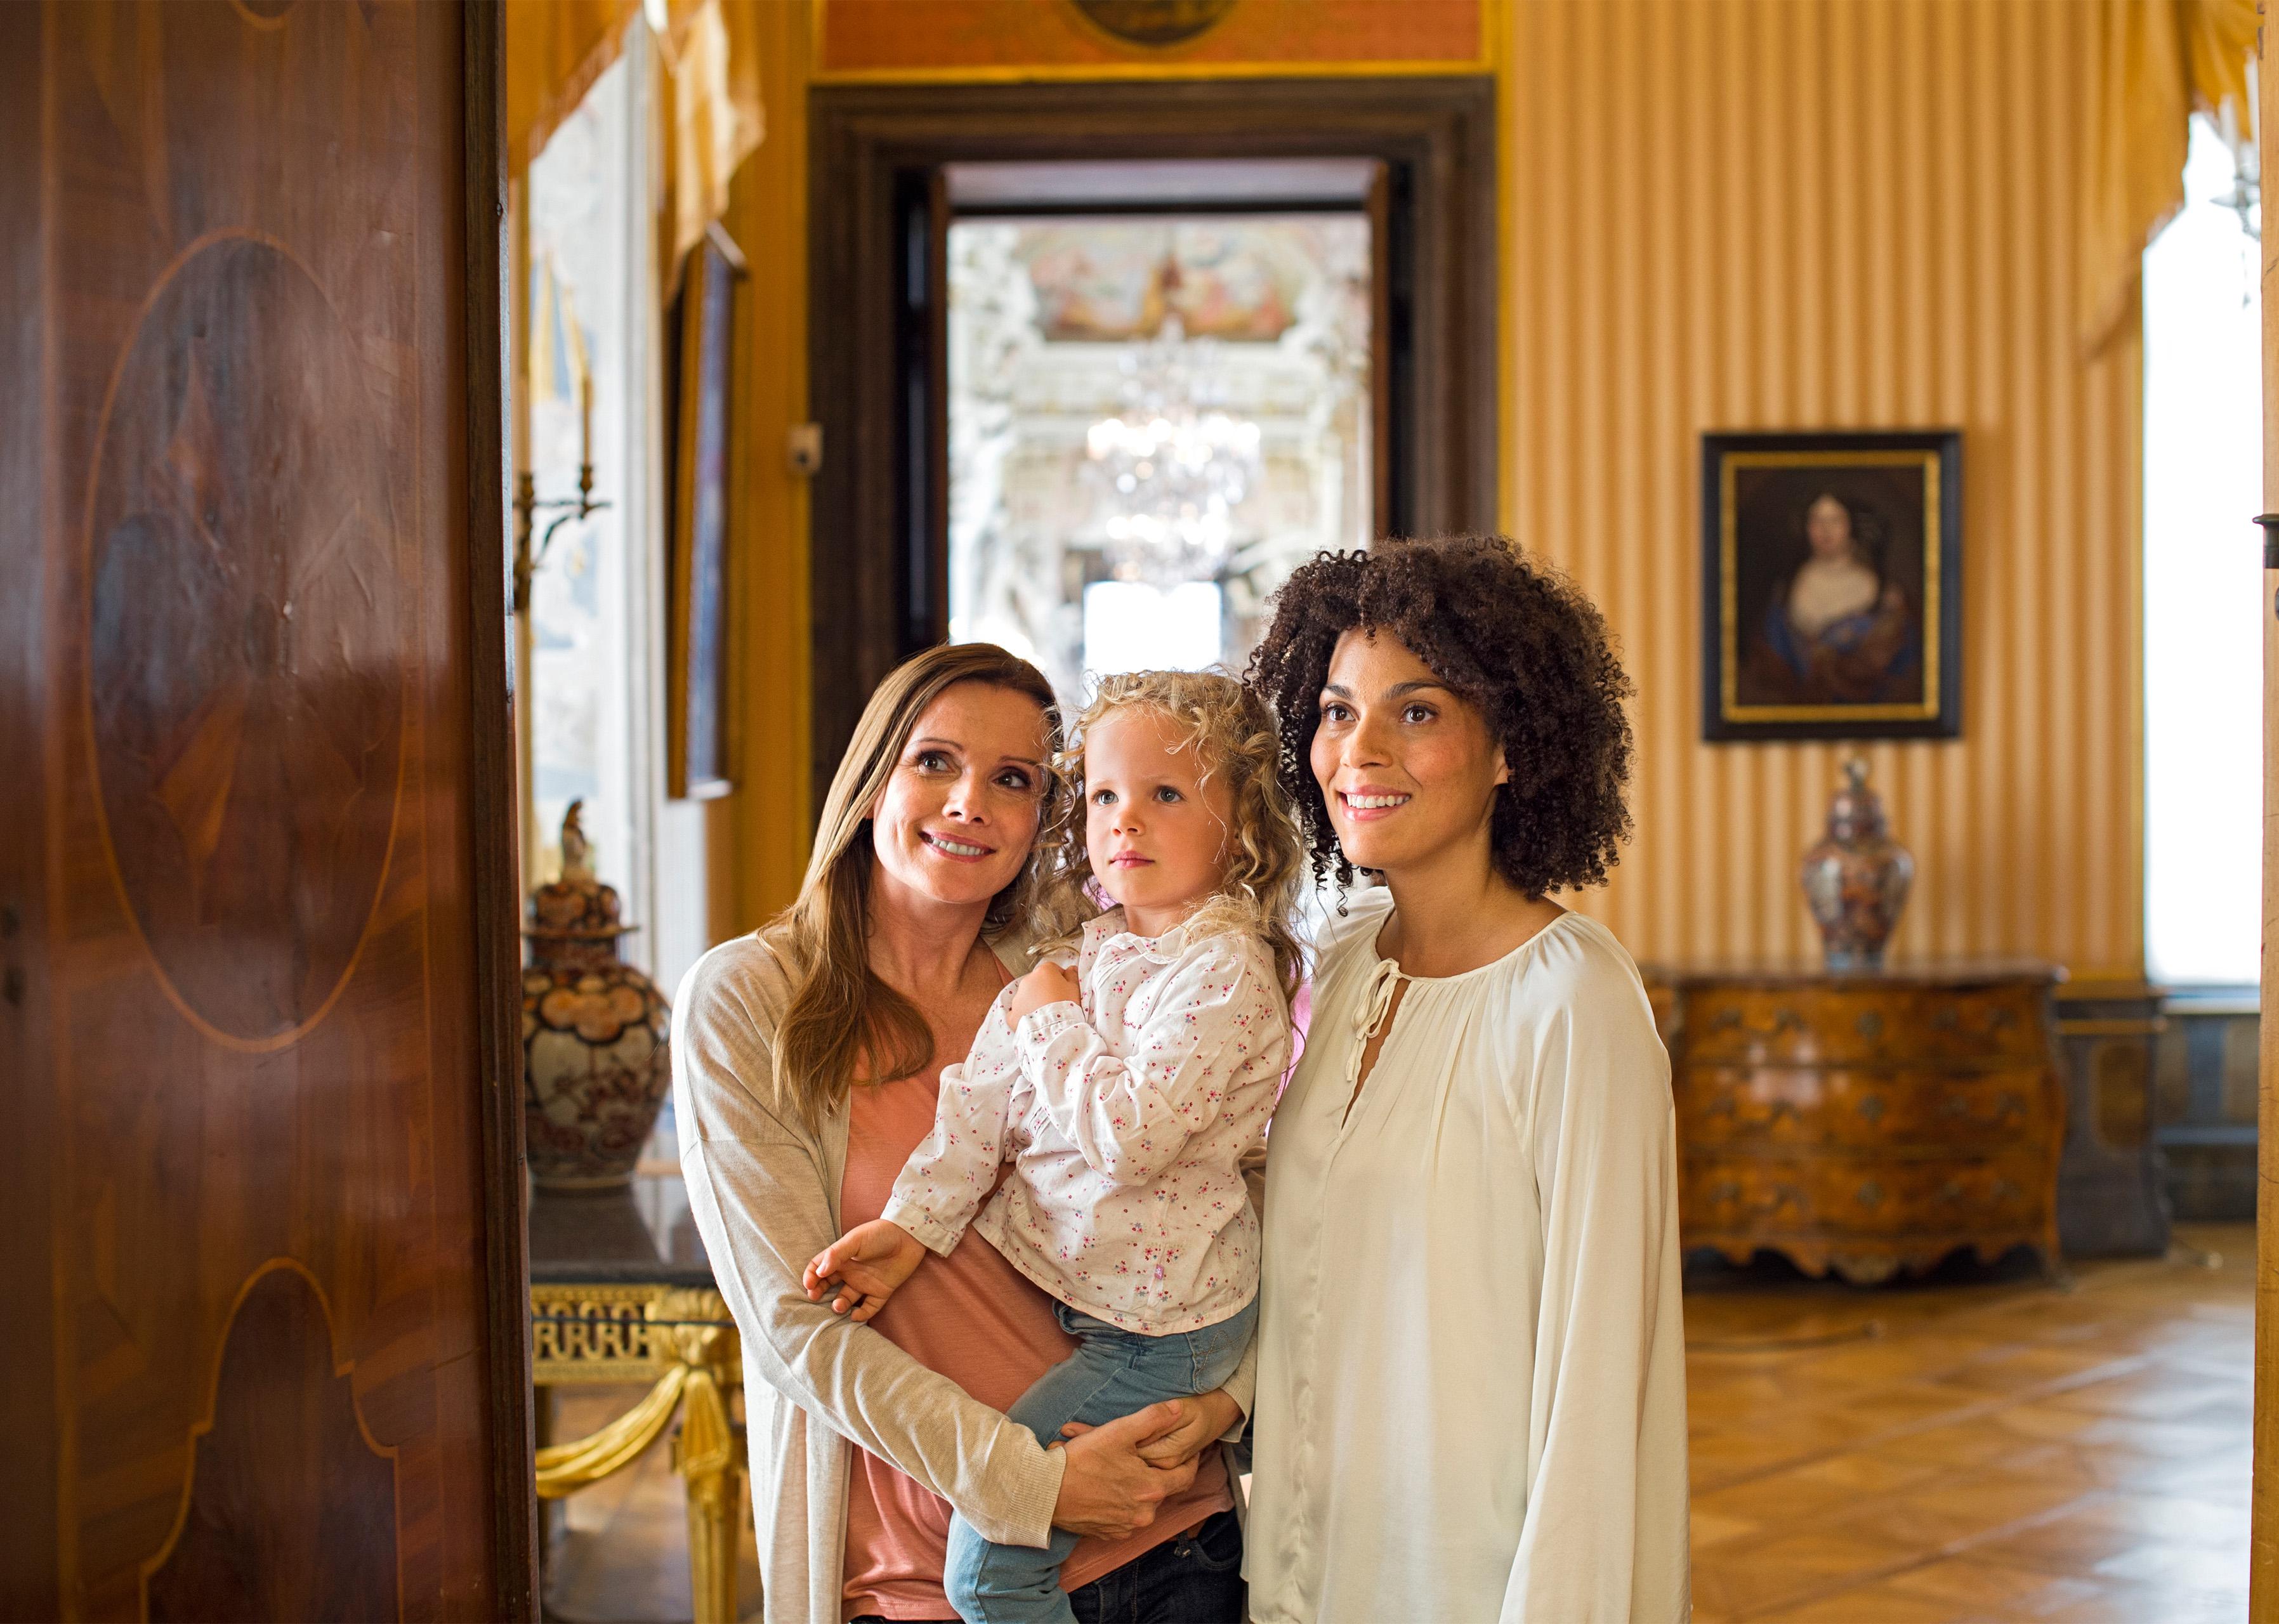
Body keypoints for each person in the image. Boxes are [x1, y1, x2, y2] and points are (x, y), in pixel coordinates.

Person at [672, 643, 1253, 1624]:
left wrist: (1225, 1402)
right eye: (933, 761)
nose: (969, 801)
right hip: (922, 1577)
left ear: (1042, 818)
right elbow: (793, 1330)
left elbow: (1230, 1206)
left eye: (1014, 779)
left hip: (1169, 1539)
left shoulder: (1084, 973)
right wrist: (1029, 1483)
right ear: (870, 784)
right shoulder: (748, 1001)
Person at [1242, 534, 1691, 1623]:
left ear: (1512, 747)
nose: (1361, 751)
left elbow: (1600, 1378)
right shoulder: (1340, 957)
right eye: (1339, 710)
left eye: (1420, 711)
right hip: (1308, 1558)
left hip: (1478, 1579)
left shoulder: (1574, 1002)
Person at [809, 669, 1301, 1624]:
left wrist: (1051, 1025)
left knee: (989, 1574)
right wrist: (911, 1229)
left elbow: (1128, 1139)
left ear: (1239, 828)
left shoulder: (1223, 975)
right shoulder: (1087, 953)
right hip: (1103, 1317)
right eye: (1108, 795)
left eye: (1165, 794)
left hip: (1165, 1331)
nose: (1126, 821)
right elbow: (978, 1107)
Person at [1745, 489, 1921, 705]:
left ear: (1851, 526)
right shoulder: (1785, 590)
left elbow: (1905, 668)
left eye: (1835, 520)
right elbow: (1769, 662)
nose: (1825, 530)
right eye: (1817, 521)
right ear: (1807, 527)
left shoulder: (1885, 595)